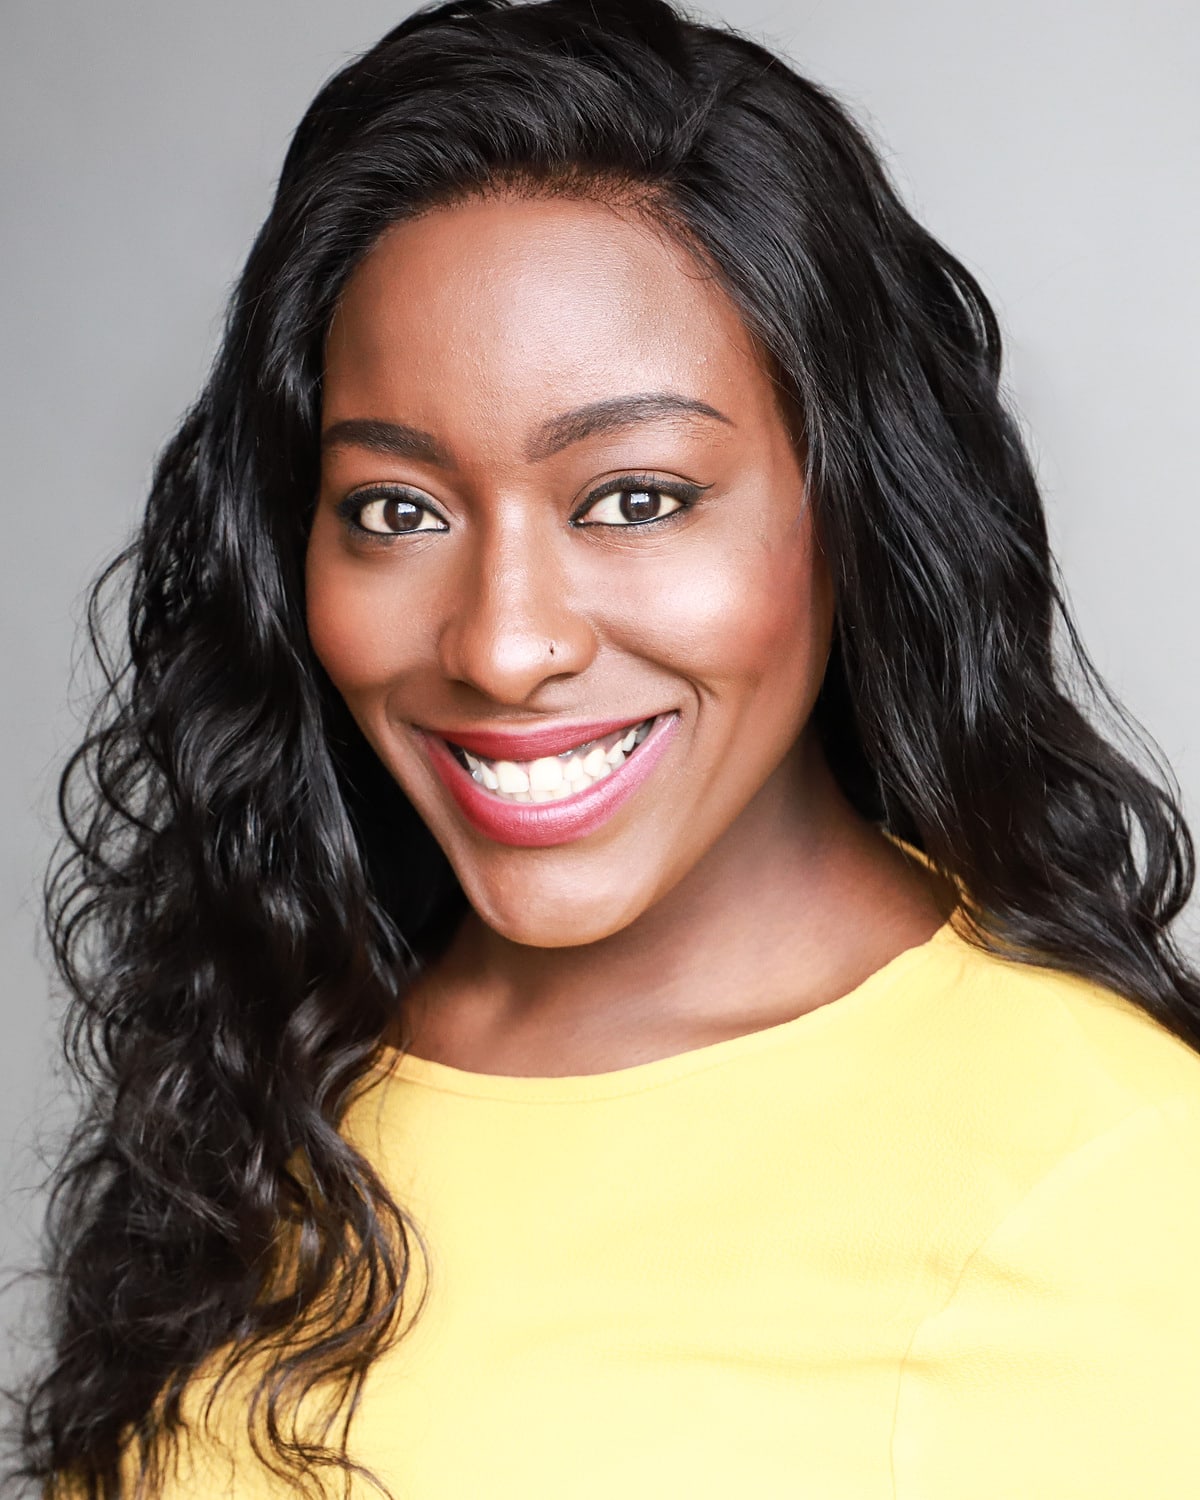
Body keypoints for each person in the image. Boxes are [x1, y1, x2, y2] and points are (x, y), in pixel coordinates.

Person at [14, 0, 1200, 1495]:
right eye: (398, 509)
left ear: (852, 507)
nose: (503, 645)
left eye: (635, 499)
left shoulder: (1111, 1185)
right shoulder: (280, 1057)